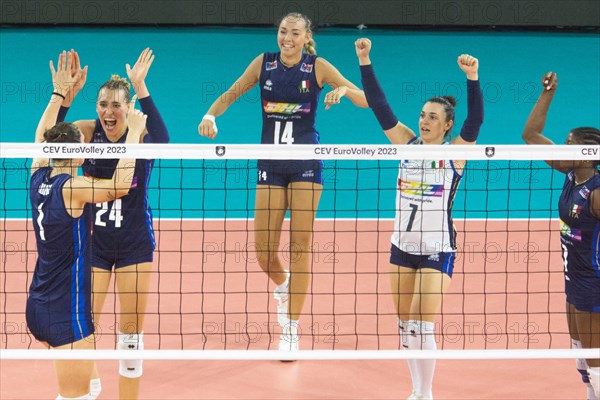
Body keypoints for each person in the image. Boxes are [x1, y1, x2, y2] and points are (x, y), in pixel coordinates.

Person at [198, 12, 368, 351]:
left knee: (299, 246)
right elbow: (233, 92)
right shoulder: (264, 63)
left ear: (306, 37)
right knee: (263, 252)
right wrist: (209, 115)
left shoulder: (317, 66)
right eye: (282, 32)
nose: (286, 38)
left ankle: (290, 329)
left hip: (305, 164)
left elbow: (368, 100)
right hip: (271, 164)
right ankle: (285, 285)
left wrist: (345, 91)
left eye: (294, 33)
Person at [355, 38, 484, 399]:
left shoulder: (456, 154)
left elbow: (476, 120)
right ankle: (415, 388)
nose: (424, 121)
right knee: (404, 326)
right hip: (401, 246)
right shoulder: (406, 144)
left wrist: (472, 78)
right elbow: (380, 107)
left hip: (437, 248)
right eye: (423, 115)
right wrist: (365, 60)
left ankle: (426, 393)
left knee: (423, 325)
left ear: (447, 125)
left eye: (433, 117)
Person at [27, 50, 146, 399]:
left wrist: (59, 95)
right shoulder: (75, 189)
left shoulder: (37, 175)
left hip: (38, 304)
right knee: (75, 397)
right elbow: (120, 186)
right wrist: (134, 136)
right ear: (79, 155)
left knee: (89, 386)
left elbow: (40, 137)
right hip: (67, 311)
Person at [56, 48, 169, 399]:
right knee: (85, 326)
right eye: (102, 104)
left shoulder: (141, 133)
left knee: (131, 333)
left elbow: (164, 141)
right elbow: (51, 138)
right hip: (96, 245)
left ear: (128, 108)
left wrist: (142, 87)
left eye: (116, 105)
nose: (108, 111)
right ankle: (90, 383)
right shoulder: (88, 135)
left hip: (136, 242)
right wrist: (63, 98)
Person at [522, 71, 600, 400]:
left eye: (570, 143)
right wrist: (547, 94)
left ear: (589, 153)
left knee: (595, 359)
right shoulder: (570, 174)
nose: (564, 145)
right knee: (580, 353)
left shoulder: (596, 192)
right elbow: (531, 135)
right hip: (573, 278)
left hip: (592, 280)